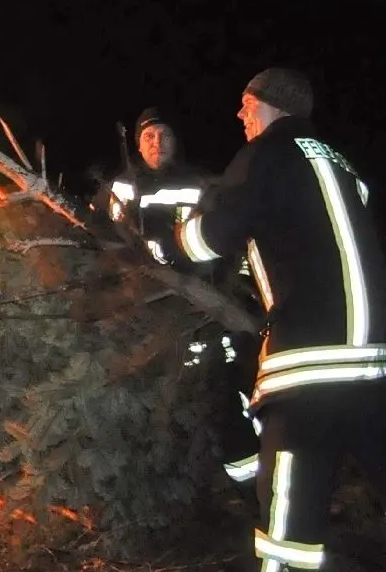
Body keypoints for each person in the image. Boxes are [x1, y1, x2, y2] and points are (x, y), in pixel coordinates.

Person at [175, 67, 386, 570]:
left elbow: (206, 242)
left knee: (288, 529)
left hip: (308, 367)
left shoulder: (265, 154)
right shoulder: (343, 165)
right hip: (372, 365)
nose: (240, 116)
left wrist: (179, 231)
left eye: (245, 106)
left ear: (266, 105)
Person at [94, 107, 213, 273]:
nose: (157, 142)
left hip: (187, 283)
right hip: (129, 281)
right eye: (149, 136)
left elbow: (213, 239)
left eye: (165, 135)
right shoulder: (118, 185)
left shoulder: (199, 185)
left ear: (175, 142)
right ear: (139, 145)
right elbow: (94, 227)